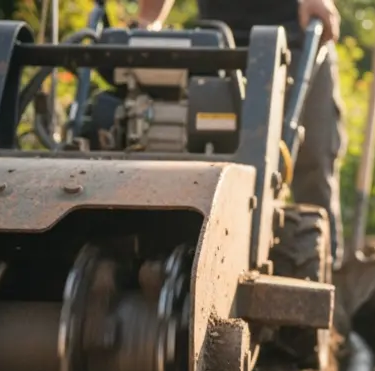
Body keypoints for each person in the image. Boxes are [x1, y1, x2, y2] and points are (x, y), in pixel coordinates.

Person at [137, 0, 347, 267]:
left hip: (298, 34)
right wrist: (148, 21)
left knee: (313, 156)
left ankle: (330, 276)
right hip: (220, 43)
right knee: (203, 148)